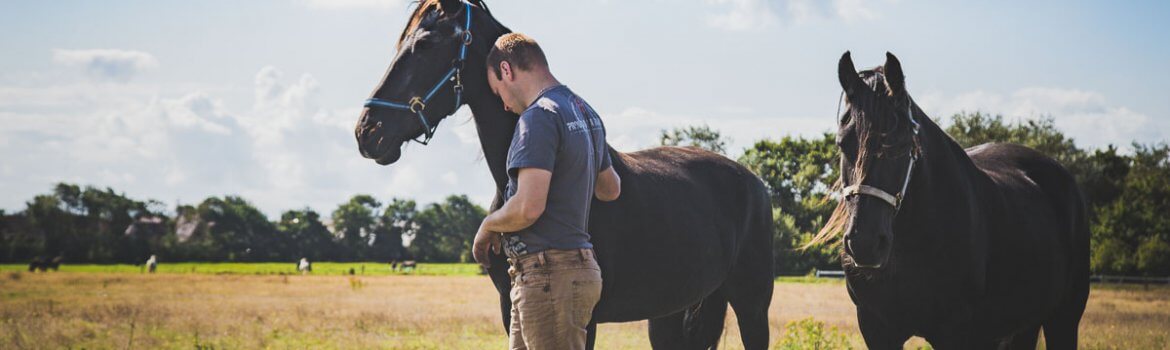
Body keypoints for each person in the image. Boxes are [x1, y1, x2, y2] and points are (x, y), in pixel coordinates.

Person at [472, 32, 621, 350]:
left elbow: (528, 207)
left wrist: (488, 225)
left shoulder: (538, 117)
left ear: (506, 70)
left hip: (549, 276)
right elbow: (610, 189)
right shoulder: (583, 110)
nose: (504, 104)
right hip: (566, 272)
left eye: (499, 91)